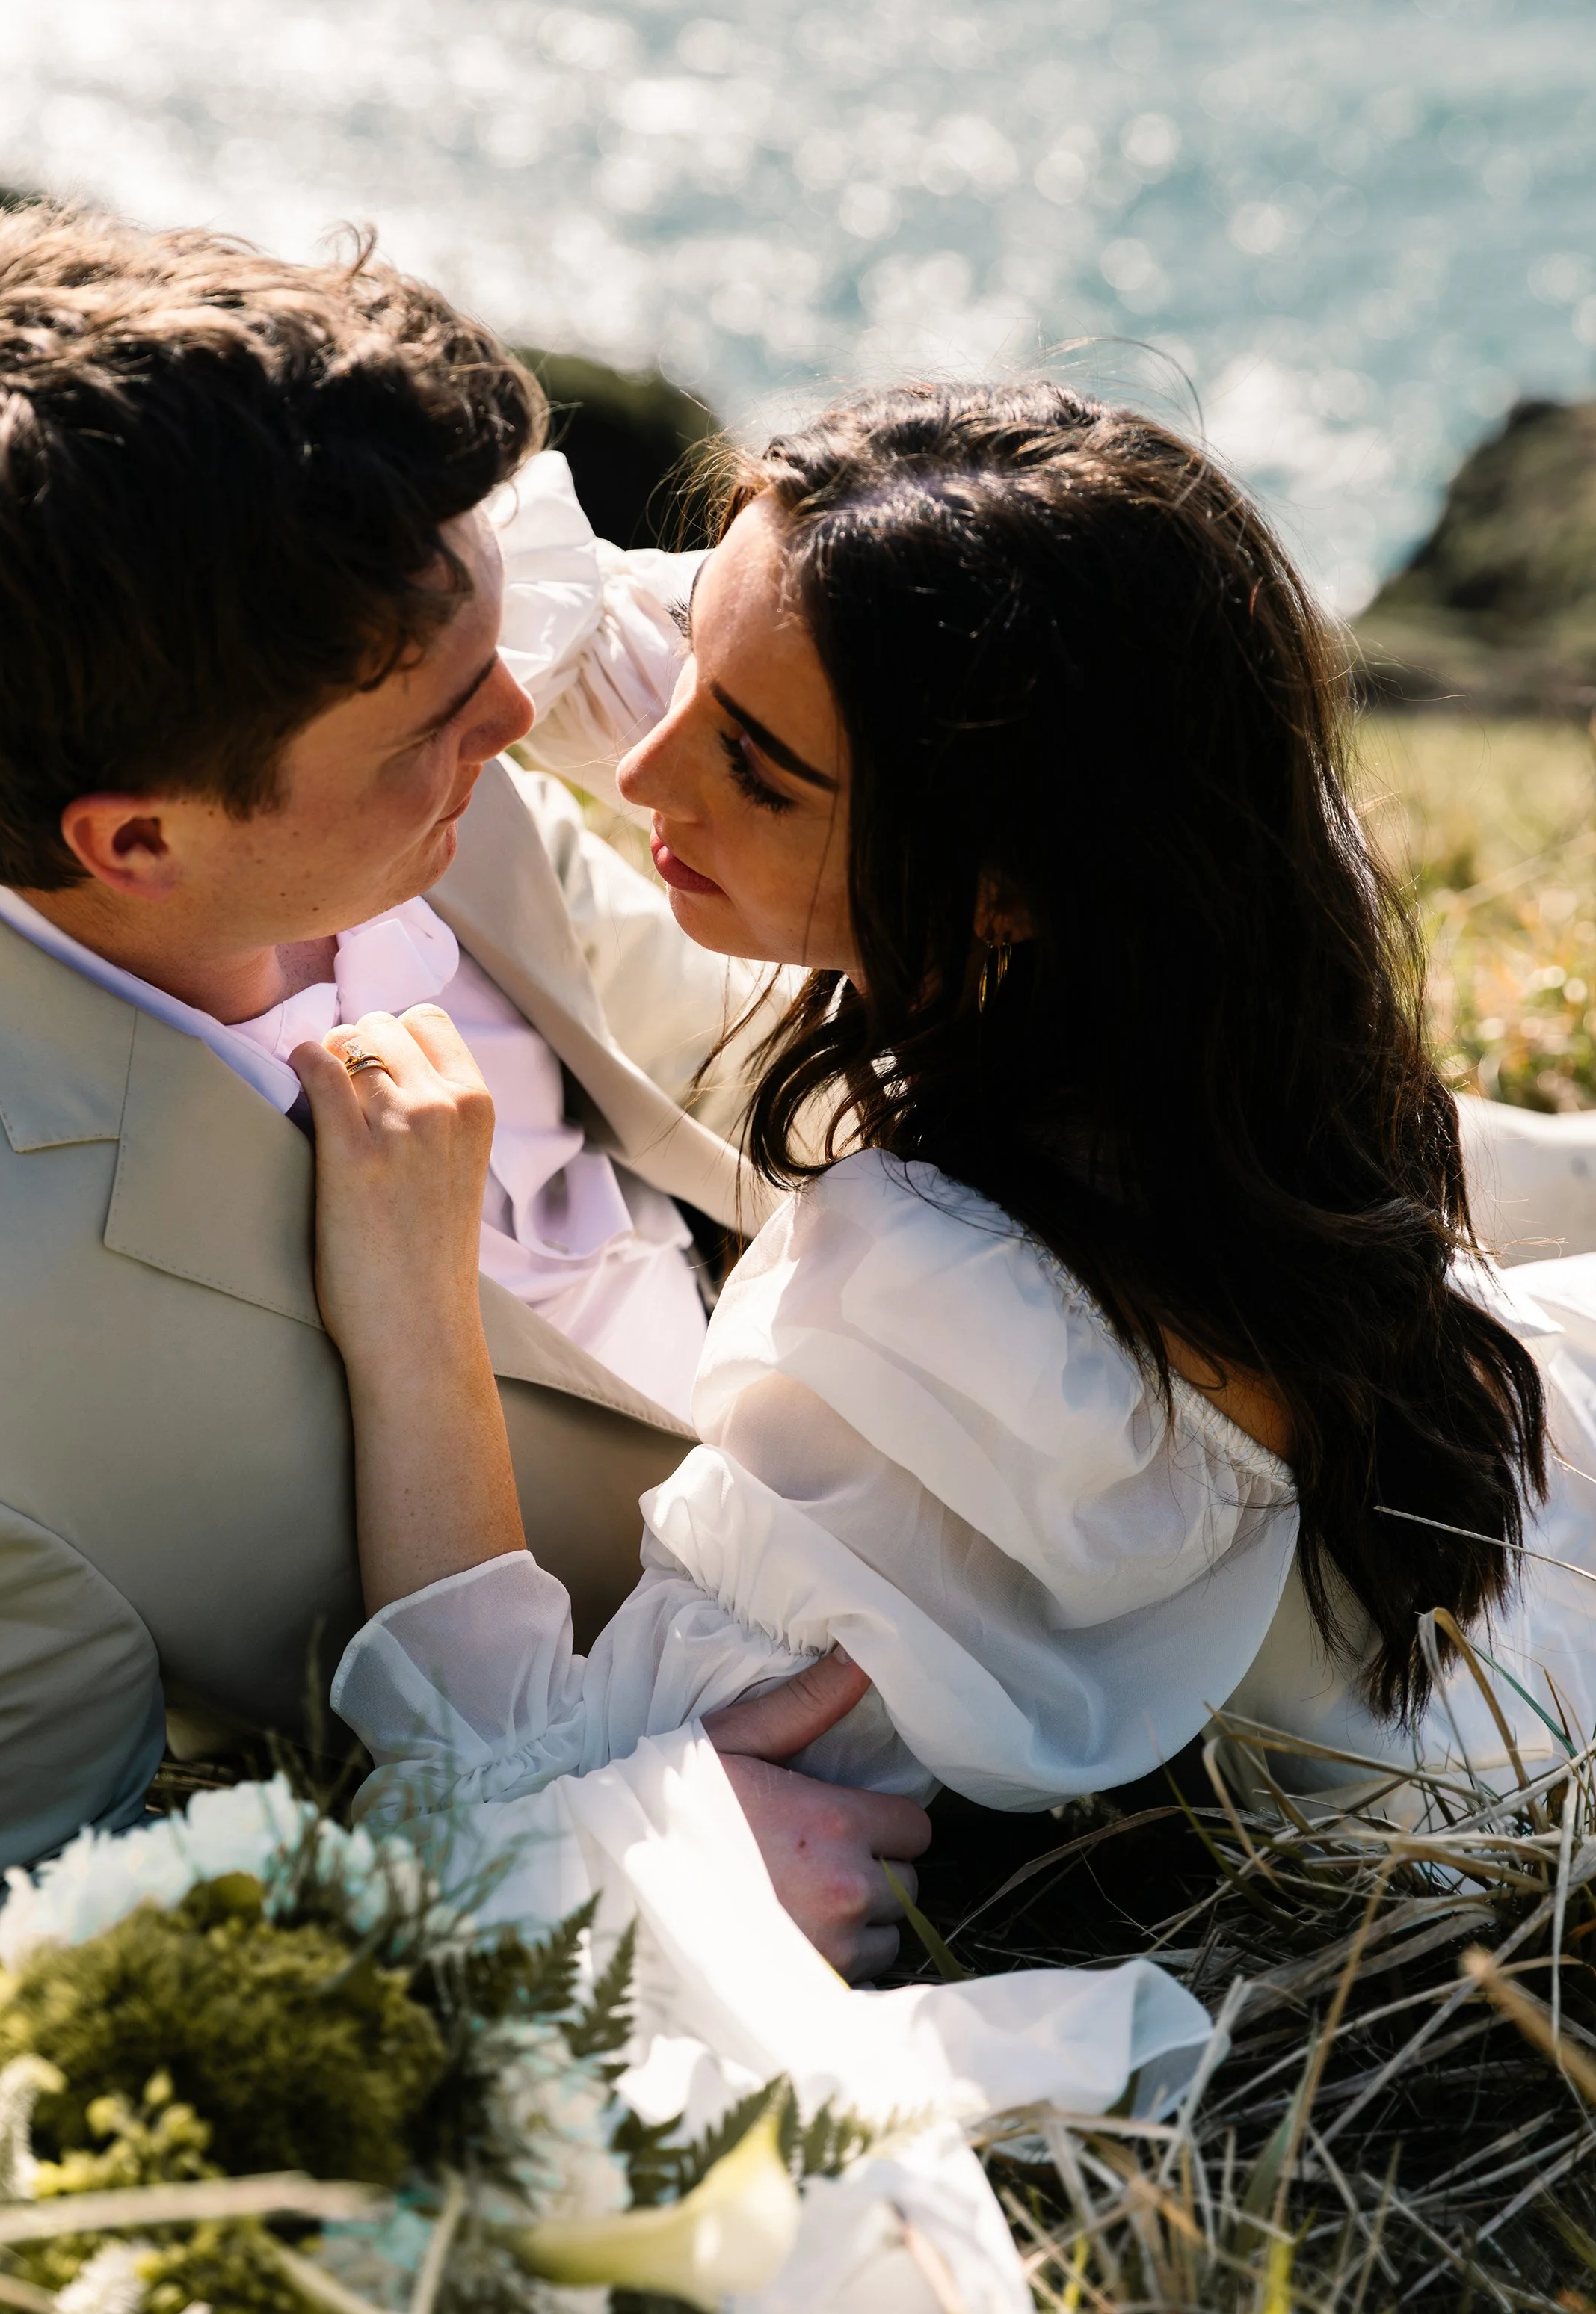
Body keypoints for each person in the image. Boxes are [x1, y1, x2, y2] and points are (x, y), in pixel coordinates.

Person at [307, 378, 1596, 1857]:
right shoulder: (1209, 924)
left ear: (999, 884)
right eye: (693, 666)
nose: (649, 766)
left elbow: (498, 1776)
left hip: (1495, 1761)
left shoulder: (962, 1323)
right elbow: (703, 658)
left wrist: (410, 1306)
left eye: (749, 766)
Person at [0, 206, 923, 1963]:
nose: (520, 719)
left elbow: (742, 1051)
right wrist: (592, 1866)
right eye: (436, 717)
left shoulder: (356, 697)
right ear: (134, 839)